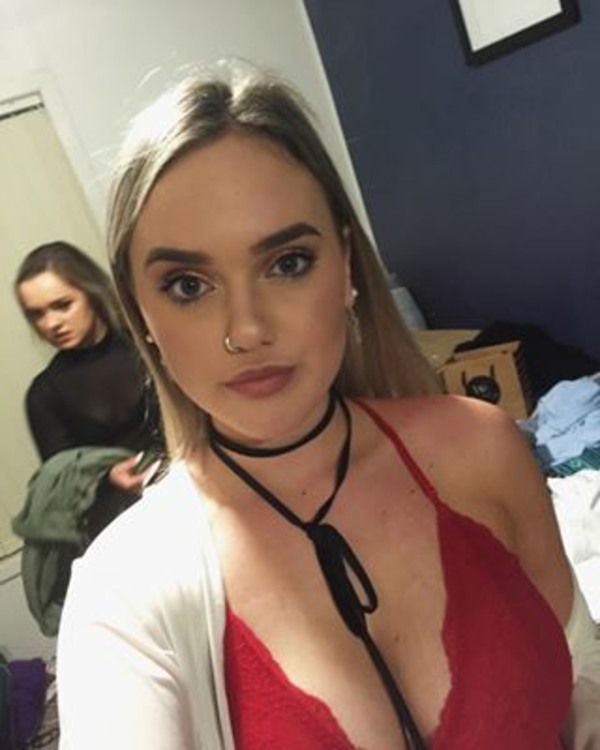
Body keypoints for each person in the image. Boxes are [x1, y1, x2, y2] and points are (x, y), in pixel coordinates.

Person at [55, 63, 599, 750]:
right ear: (141, 316)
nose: (247, 329)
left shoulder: (481, 449)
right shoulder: (126, 595)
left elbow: (581, 672)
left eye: (286, 263)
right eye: (189, 285)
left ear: (344, 266)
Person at [15, 241, 162, 495]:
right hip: (126, 507)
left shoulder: (149, 341)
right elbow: (62, 483)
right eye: (37, 314)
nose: (51, 324)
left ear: (92, 293)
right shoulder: (44, 395)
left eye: (62, 305)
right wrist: (106, 479)